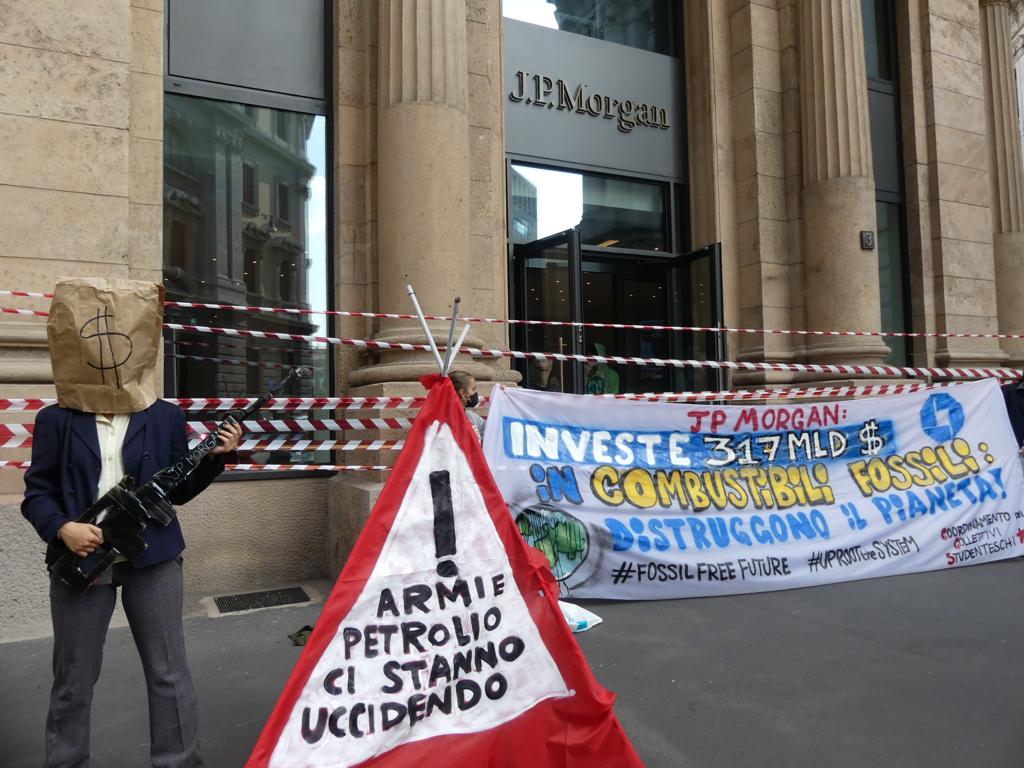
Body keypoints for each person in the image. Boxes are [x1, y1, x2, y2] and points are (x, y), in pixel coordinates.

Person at [23, 402, 242, 768]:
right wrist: (62, 529)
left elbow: (179, 490)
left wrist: (214, 457)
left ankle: (180, 762)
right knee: (73, 677)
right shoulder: (56, 418)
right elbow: (38, 493)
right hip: (81, 557)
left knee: (168, 671)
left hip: (152, 557)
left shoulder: (163, 415)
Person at [449, 369, 486, 441]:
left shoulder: (471, 416)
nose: (475, 393)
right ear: (462, 393)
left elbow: (493, 431)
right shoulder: (445, 420)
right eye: (473, 389)